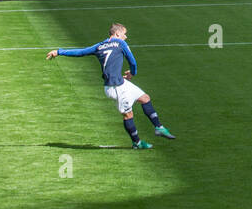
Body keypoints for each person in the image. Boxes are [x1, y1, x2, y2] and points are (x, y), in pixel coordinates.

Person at [46, 23, 175, 149]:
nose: (126, 37)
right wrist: (132, 73)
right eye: (124, 34)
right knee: (128, 115)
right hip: (116, 87)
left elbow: (80, 52)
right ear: (117, 33)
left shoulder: (99, 46)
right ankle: (137, 143)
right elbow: (133, 62)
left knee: (145, 98)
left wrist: (59, 51)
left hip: (119, 83)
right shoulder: (121, 43)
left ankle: (159, 128)